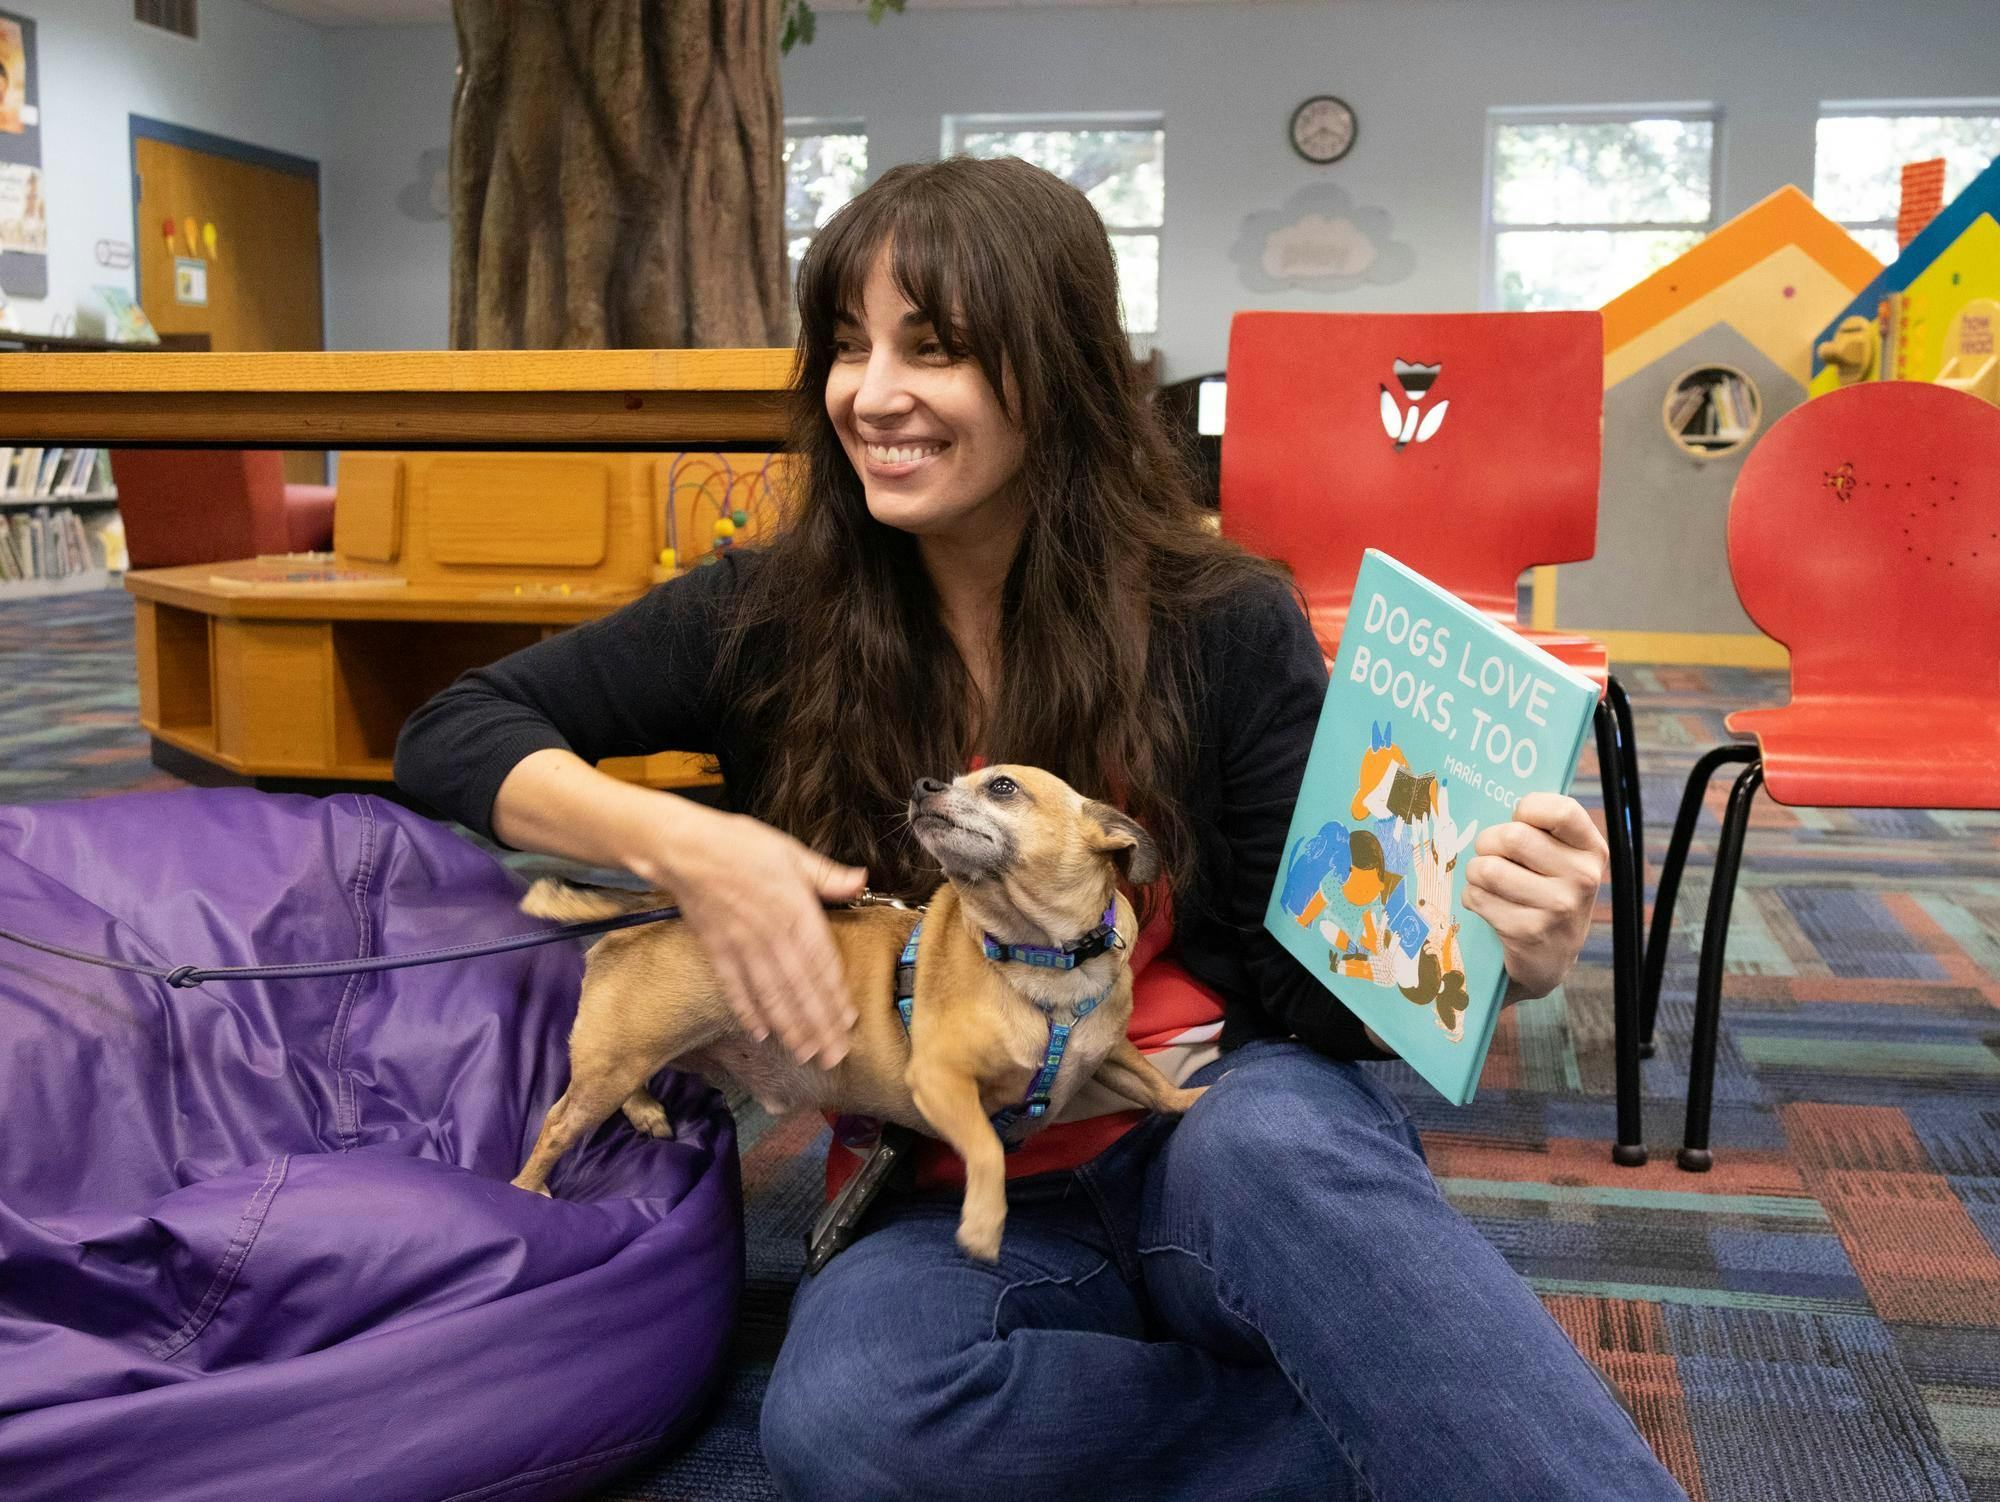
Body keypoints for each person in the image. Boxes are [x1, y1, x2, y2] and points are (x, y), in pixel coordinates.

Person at [394, 155, 1686, 1502]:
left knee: (1288, 1147)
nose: (872, 393)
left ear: (1052, 368)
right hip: (951, 1186)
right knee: (850, 1424)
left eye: (934, 348)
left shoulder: (1218, 617)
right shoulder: (772, 617)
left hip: (1209, 1131)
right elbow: (455, 731)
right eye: (848, 346)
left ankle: (1407, 1396)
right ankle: (1364, 1411)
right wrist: (686, 845)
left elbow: (1317, 996)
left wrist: (1492, 951)